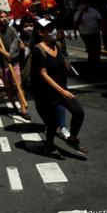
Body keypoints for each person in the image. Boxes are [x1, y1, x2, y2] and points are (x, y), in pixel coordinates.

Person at [30, 19, 87, 156]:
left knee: (79, 112)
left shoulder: (58, 45)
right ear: (40, 32)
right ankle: (49, 145)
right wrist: (62, 91)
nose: (53, 31)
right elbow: (43, 74)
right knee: (52, 122)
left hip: (61, 89)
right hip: (45, 93)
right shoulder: (38, 50)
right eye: (49, 29)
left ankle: (72, 139)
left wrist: (66, 65)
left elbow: (60, 59)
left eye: (53, 27)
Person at [0, 10, 29, 119]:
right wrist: (5, 53)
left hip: (14, 62)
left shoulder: (11, 29)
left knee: (19, 85)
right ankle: (14, 106)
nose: (4, 18)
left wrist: (20, 47)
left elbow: (18, 41)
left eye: (5, 16)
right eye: (2, 17)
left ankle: (24, 109)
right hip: (2, 64)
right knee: (9, 88)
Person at [73, 1, 103, 73]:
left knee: (97, 48)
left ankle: (97, 63)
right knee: (91, 48)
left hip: (95, 33)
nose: (83, 6)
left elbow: (100, 20)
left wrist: (102, 29)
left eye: (84, 4)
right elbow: (76, 24)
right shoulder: (77, 13)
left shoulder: (93, 11)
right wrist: (81, 14)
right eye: (81, 5)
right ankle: (92, 64)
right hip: (85, 34)